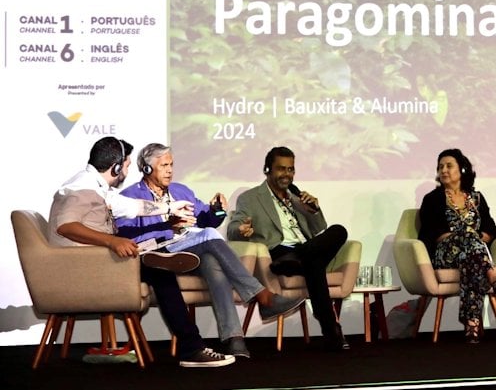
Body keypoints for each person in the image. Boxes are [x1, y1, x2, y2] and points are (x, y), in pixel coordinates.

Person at [48, 136, 233, 367]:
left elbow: (133, 207)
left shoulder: (96, 187)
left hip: (97, 261)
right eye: (126, 165)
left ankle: (191, 347)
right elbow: (66, 226)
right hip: (87, 266)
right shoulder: (82, 189)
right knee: (160, 270)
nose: (128, 170)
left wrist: (168, 207)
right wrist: (111, 242)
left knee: (159, 266)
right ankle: (192, 349)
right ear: (115, 167)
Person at [116, 143, 305, 359]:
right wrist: (167, 227)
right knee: (208, 237)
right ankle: (262, 297)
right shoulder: (130, 197)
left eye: (171, 165)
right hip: (159, 252)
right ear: (147, 169)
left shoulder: (180, 191)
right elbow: (127, 236)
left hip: (188, 250)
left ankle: (234, 338)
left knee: (211, 259)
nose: (170, 170)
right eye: (164, 165)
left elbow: (208, 219)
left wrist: (217, 210)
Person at [227, 146, 351, 351]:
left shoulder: (296, 197)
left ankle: (298, 258)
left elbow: (319, 229)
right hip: (278, 251)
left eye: (291, 169)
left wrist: (314, 210)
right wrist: (241, 229)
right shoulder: (250, 198)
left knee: (339, 231)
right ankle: (332, 331)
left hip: (299, 254)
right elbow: (234, 229)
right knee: (315, 263)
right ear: (267, 169)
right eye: (281, 169)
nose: (287, 174)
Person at [417, 148, 496, 343]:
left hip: (471, 255)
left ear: (462, 169)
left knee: (471, 259)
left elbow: (492, 230)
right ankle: (494, 277)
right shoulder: (432, 199)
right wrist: (465, 235)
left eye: (448, 166)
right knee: (469, 239)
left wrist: (477, 236)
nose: (443, 170)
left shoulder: (477, 198)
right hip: (445, 254)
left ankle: (471, 325)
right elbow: (430, 234)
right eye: (440, 167)